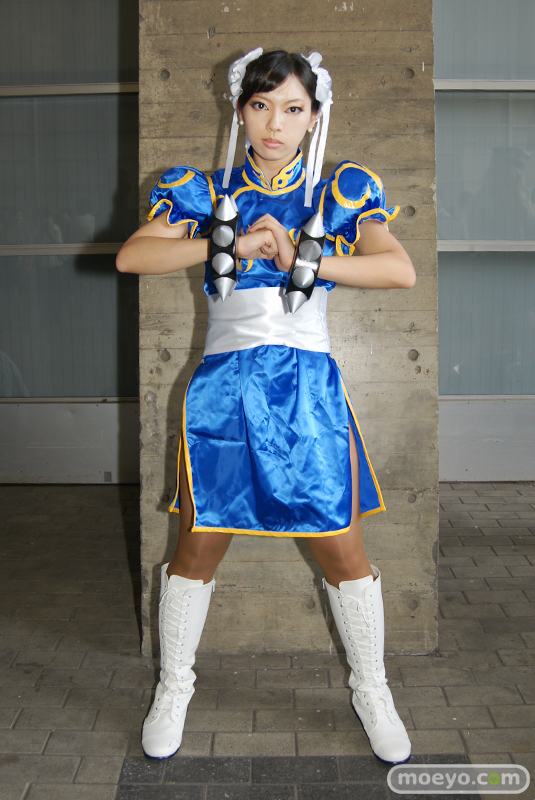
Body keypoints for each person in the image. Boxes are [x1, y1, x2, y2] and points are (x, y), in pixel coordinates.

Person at [117, 48, 416, 765]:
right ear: (239, 110)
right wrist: (229, 241)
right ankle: (175, 686)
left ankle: (372, 689)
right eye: (260, 105)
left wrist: (299, 260)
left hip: (307, 395)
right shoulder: (202, 190)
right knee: (196, 545)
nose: (274, 124)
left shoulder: (338, 193)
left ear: (314, 116)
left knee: (342, 549)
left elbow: (398, 270)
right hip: (223, 394)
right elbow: (133, 256)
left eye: (291, 108)